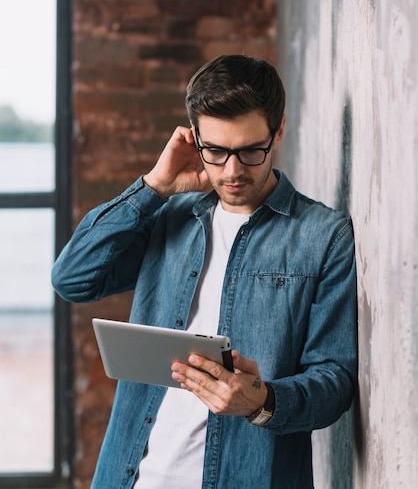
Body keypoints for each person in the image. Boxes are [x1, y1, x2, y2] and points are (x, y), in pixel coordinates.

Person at [52, 54, 357, 489]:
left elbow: (335, 379)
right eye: (215, 151)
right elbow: (73, 279)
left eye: (252, 150)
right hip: (132, 476)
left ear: (279, 130)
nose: (233, 171)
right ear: (194, 139)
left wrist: (261, 400)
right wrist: (153, 186)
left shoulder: (323, 235)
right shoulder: (166, 215)